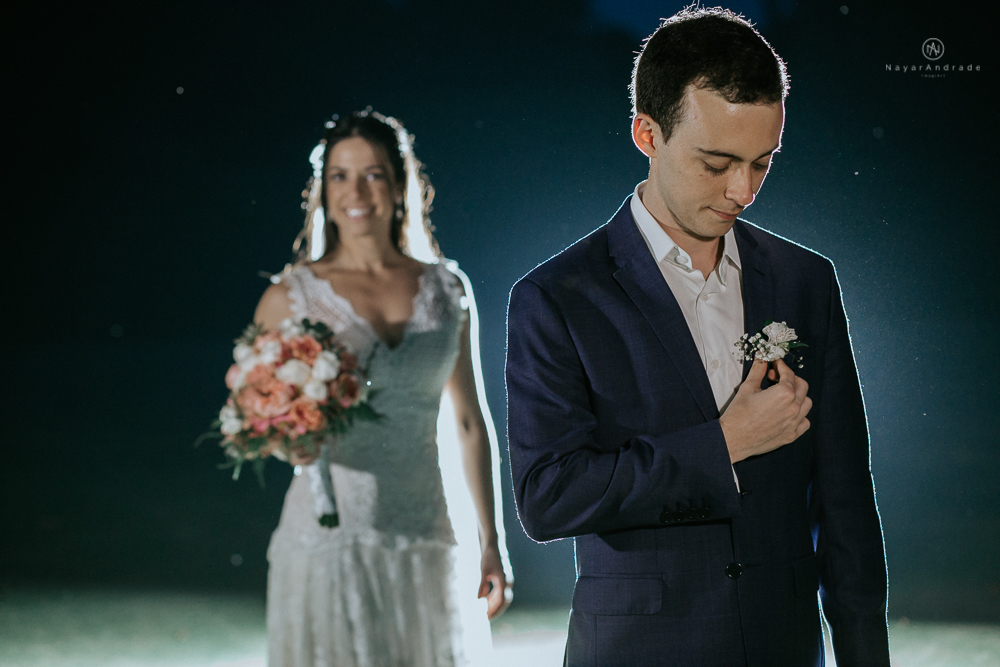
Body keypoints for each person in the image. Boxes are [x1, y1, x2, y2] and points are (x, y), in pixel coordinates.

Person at [505, 7, 889, 666]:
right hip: (637, 651)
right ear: (647, 134)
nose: (743, 189)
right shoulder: (557, 297)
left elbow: (846, 503)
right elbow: (549, 498)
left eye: (762, 162)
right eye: (717, 162)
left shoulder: (806, 281)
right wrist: (724, 444)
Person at [254, 109, 511, 667]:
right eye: (340, 176)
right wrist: (288, 440)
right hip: (330, 537)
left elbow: (470, 422)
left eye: (372, 174)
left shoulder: (447, 288)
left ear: (399, 186)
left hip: (428, 531)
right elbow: (265, 417)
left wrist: (491, 539)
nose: (357, 192)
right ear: (323, 191)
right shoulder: (289, 297)